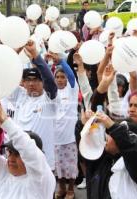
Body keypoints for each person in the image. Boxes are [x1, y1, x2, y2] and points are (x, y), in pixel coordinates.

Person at [0, 101, 56, 199]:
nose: (11, 158)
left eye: (18, 154)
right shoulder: (1, 173)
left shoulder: (40, 180)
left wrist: (5, 122)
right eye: (9, 152)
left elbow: (29, 151)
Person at [4, 40, 58, 169]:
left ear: (42, 82)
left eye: (36, 80)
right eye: (28, 80)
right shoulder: (19, 95)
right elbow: (5, 76)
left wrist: (35, 54)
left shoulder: (49, 98)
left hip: (43, 162)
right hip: (20, 159)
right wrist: (15, 53)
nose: (31, 84)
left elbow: (50, 80)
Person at [81, 111, 137, 199]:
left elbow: (133, 150)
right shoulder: (105, 159)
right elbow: (88, 150)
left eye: (110, 134)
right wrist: (86, 126)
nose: (106, 137)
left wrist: (114, 128)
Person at [50, 54, 78, 199]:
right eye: (57, 77)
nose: (60, 79)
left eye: (63, 77)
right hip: (54, 138)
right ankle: (61, 187)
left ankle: (71, 189)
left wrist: (61, 61)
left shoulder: (72, 90)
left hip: (69, 138)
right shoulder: (51, 93)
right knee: (58, 167)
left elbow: (72, 76)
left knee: (70, 167)